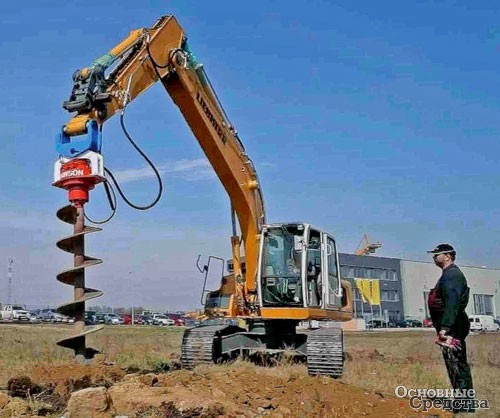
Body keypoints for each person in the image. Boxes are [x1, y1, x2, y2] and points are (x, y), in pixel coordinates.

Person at [427, 243, 474, 412]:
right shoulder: (448, 274)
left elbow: (452, 303)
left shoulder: (452, 275)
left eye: (437, 254)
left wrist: (445, 327)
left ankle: (465, 406)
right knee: (455, 363)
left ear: (447, 256)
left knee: (456, 364)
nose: (434, 257)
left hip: (453, 328)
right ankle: (463, 403)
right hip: (452, 326)